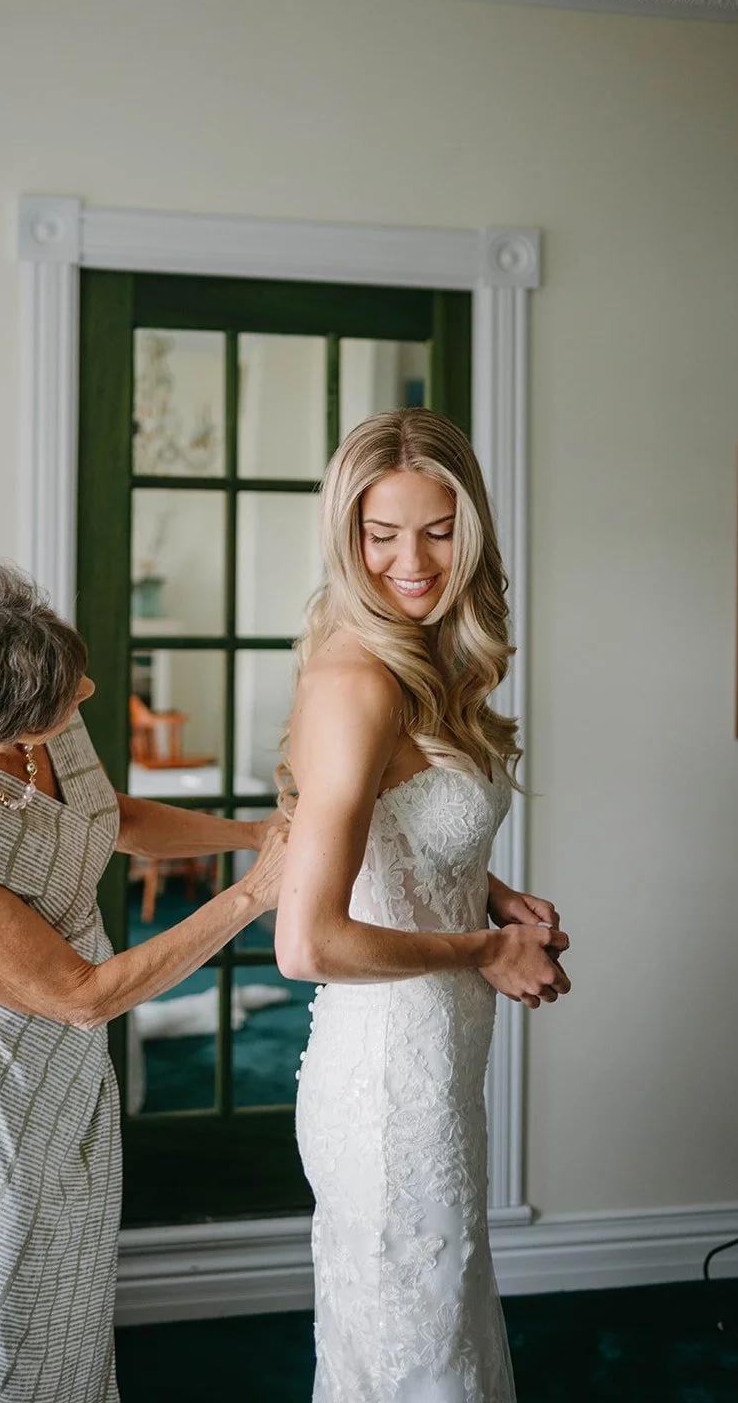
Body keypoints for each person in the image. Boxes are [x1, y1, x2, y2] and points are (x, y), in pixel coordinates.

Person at [0, 559, 285, 1403]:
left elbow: (110, 815)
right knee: (0, 1311)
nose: (89, 687)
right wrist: (253, 895)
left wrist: (250, 832)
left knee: (74, 1288)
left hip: (73, 1067)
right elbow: (81, 994)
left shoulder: (41, 711)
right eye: (70, 689)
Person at [275, 408, 570, 1403]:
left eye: (438, 530)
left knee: (435, 1330)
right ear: (346, 537)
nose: (411, 560)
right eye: (380, 533)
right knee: (416, 1358)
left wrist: (481, 885)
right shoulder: (356, 677)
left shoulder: (428, 656)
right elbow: (306, 940)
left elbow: (393, 824)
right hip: (385, 1084)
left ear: (471, 529)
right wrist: (484, 945)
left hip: (437, 1062)